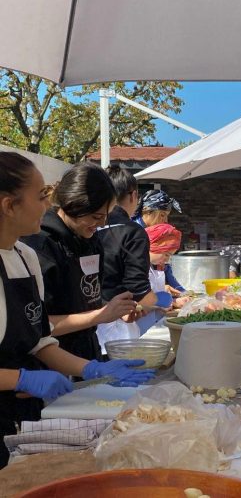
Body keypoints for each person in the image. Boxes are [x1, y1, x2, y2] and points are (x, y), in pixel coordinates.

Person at [0, 152, 154, 468]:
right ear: (9, 206)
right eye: (42, 195)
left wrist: (90, 369)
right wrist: (20, 378)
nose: (49, 205)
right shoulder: (44, 246)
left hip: (21, 414)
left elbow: (40, 339)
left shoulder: (26, 257)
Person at [22, 163, 139, 361]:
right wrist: (99, 316)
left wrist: (113, 309)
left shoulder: (91, 241)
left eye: (106, 216)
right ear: (73, 205)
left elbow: (85, 297)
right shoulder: (41, 246)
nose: (101, 224)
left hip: (88, 350)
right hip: (54, 358)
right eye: (96, 216)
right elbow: (38, 325)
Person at [96, 166, 173, 352]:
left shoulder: (90, 228)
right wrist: (164, 299)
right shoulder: (132, 232)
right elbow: (139, 290)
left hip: (88, 328)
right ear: (133, 196)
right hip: (117, 335)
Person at [132, 189, 185, 293]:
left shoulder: (156, 230)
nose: (165, 220)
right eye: (162, 215)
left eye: (166, 216)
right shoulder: (133, 232)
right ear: (147, 211)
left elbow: (164, 265)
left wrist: (181, 291)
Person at [142, 223, 183, 329]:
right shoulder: (136, 269)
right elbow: (136, 302)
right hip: (135, 327)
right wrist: (158, 302)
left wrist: (170, 299)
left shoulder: (155, 265)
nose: (167, 259)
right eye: (166, 254)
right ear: (152, 247)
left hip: (153, 323)